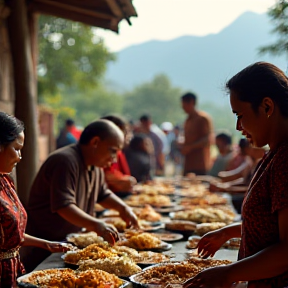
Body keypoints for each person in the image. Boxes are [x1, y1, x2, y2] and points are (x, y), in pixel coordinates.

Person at [183, 62, 288, 288]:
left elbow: (286, 251)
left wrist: (227, 273)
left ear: (267, 107)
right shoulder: (274, 155)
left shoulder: (285, 160)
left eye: (240, 115)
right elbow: (271, 223)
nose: (238, 126)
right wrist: (228, 232)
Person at [23, 119, 139, 272]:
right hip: (47, 246)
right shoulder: (65, 161)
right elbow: (63, 206)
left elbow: (103, 194)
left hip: (70, 244)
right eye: (112, 150)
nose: (114, 158)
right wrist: (97, 224)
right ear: (95, 142)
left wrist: (123, 208)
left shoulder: (95, 166)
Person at [0, 112, 72, 287]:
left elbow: (11, 234)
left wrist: (46, 244)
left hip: (13, 270)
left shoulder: (5, 181)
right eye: (16, 149)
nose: (19, 156)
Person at [101, 114, 137, 197]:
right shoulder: (98, 155)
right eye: (125, 132)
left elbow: (126, 177)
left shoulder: (119, 153)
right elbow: (106, 178)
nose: (128, 136)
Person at [180, 92, 214, 175]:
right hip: (188, 163)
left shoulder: (202, 119)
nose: (183, 107)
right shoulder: (187, 120)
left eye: (184, 104)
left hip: (200, 164)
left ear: (191, 102)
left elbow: (207, 140)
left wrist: (190, 147)